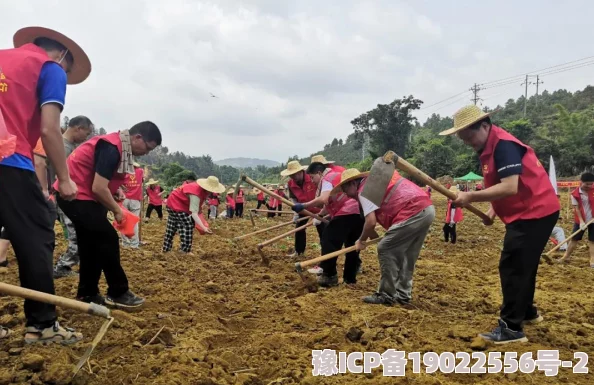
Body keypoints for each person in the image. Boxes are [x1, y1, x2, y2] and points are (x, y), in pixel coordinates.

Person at [0, 26, 91, 344]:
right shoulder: (50, 69)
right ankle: (42, 327)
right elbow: (50, 129)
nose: (66, 73)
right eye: (68, 68)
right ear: (62, 55)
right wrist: (65, 180)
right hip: (7, 157)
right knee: (38, 235)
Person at [441, 105, 560, 344]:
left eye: (469, 136)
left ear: (485, 125)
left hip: (534, 213)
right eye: (463, 139)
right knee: (524, 265)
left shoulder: (504, 146)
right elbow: (502, 185)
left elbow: (509, 187)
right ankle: (526, 312)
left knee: (513, 266)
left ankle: (511, 329)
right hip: (531, 212)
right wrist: (492, 210)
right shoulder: (489, 145)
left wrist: (470, 197)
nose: (467, 142)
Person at [56, 122, 162, 310]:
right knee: (107, 238)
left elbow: (101, 180)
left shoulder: (119, 147)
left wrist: (116, 189)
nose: (147, 152)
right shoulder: (112, 147)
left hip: (84, 197)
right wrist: (117, 210)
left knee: (91, 245)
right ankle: (118, 292)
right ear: (137, 138)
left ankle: (87, 293)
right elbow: (98, 188)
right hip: (76, 196)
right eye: (148, 147)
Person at [333, 168, 434, 305]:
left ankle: (386, 295)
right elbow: (373, 224)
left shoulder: (364, 191)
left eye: (345, 189)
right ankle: (403, 295)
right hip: (426, 209)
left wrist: (360, 240)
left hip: (411, 210)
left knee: (385, 248)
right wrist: (369, 238)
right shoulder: (374, 184)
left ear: (352, 184)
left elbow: (370, 222)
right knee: (408, 254)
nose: (346, 194)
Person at [292, 162, 363, 287]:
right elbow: (331, 202)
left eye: (313, 177)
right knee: (351, 246)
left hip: (347, 212)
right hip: (359, 212)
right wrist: (320, 215)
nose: (312, 181)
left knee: (328, 240)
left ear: (319, 173)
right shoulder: (335, 176)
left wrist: (303, 205)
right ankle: (350, 279)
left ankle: (329, 275)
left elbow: (324, 198)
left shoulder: (327, 179)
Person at [40, 116, 94, 278]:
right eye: (87, 132)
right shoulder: (63, 147)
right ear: (78, 128)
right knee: (76, 234)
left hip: (57, 196)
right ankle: (62, 267)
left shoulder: (68, 146)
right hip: (61, 196)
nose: (87, 137)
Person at [163, 176, 223, 253]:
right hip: (177, 205)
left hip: (172, 203)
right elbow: (194, 213)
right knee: (188, 225)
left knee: (172, 226)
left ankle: (166, 248)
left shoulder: (200, 189)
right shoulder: (196, 193)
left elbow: (197, 209)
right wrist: (204, 227)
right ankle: (185, 251)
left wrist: (202, 222)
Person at [283, 160, 323, 258]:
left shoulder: (312, 177)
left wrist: (321, 212)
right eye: (291, 175)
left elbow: (323, 192)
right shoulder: (290, 184)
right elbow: (293, 199)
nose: (293, 177)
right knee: (299, 229)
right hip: (303, 209)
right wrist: (296, 212)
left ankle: (325, 255)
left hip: (319, 208)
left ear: (301, 171)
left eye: (295, 174)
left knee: (323, 231)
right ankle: (299, 251)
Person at [558, 172, 594, 267]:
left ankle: (592, 260)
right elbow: (577, 208)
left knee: (592, 240)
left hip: (593, 220)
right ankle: (565, 257)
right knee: (574, 238)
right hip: (580, 220)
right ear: (580, 182)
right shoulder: (575, 194)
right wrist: (582, 222)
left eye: (591, 184)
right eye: (587, 184)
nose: (589, 186)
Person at [121, 163, 144, 248]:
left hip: (124, 199)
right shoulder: (140, 171)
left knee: (123, 221)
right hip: (135, 200)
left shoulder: (123, 172)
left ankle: (126, 243)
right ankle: (134, 244)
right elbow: (142, 181)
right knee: (134, 222)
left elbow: (118, 182)